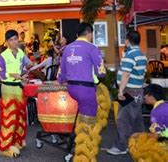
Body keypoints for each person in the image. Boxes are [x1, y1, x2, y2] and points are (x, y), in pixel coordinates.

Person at [58, 23, 106, 162]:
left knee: (82, 119)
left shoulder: (67, 48)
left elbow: (61, 74)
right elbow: (101, 73)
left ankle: (78, 150)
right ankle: (83, 155)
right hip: (86, 89)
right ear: (89, 33)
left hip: (72, 89)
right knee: (88, 125)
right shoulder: (92, 48)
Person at [107, 30, 147, 155]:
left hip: (128, 91)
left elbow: (126, 74)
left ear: (128, 40)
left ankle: (121, 147)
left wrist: (120, 91)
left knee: (123, 119)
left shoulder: (129, 55)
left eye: (125, 39)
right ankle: (140, 144)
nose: (124, 41)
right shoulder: (142, 54)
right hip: (138, 90)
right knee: (136, 120)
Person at [0, 30, 32, 158]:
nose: (14, 42)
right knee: (9, 116)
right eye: (11, 40)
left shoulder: (21, 52)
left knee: (20, 115)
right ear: (7, 42)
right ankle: (4, 147)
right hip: (8, 87)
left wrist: (25, 73)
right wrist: (11, 75)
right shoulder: (3, 55)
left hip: (19, 87)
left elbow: (23, 68)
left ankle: (17, 141)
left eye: (15, 39)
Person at [128, 84, 168, 161]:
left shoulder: (156, 112)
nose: (144, 97)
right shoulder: (165, 105)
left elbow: (155, 136)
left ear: (151, 96)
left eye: (145, 94)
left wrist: (138, 135)